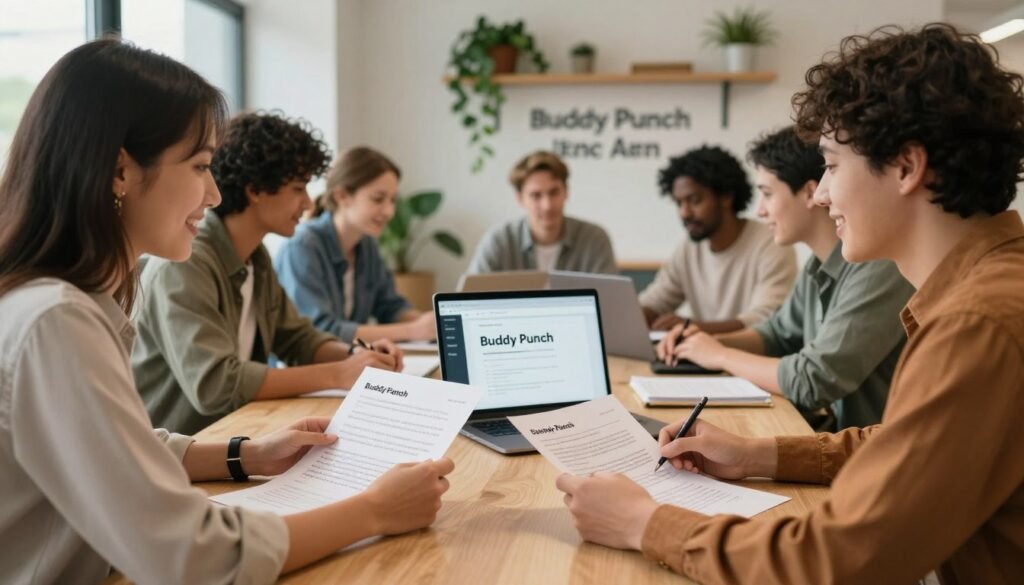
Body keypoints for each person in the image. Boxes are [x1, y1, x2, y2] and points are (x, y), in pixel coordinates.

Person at [556, 24, 1024, 583]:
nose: (821, 193)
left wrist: (644, 523)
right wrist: (757, 456)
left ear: (905, 166)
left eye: (829, 164)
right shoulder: (987, 292)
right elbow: (910, 450)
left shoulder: (979, 323)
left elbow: (841, 559)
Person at [0, 39, 452, 585]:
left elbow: (120, 448)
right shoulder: (57, 320)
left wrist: (248, 454)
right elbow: (194, 557)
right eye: (199, 166)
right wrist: (376, 509)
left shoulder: (69, 300)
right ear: (120, 170)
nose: (214, 193)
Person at [132, 111, 403, 435]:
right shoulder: (186, 262)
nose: (307, 203)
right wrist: (340, 373)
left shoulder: (255, 258)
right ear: (256, 189)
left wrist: (357, 355)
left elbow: (298, 338)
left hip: (235, 435)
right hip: (180, 455)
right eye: (298, 188)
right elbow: (216, 385)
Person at [656, 126, 914, 430]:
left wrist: (720, 355)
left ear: (808, 192)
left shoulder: (878, 267)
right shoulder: (818, 266)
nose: (760, 210)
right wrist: (701, 344)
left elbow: (813, 380)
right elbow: (776, 334)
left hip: (862, 457)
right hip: (828, 440)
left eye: (766, 194)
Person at [275, 147, 436, 343]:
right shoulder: (302, 247)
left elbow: (390, 306)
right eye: (378, 199)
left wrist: (432, 325)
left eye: (393, 200)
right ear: (342, 196)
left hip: (346, 363)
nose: (389, 211)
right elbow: (320, 331)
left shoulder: (366, 245)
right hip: (301, 370)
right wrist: (413, 330)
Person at [639, 145, 798, 333]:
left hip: (750, 358)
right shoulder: (689, 249)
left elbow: (765, 320)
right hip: (702, 356)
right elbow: (656, 301)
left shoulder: (771, 243)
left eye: (695, 200)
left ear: (726, 197)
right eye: (679, 202)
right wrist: (631, 317)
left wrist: (692, 327)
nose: (684, 213)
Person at [466, 150, 618, 274]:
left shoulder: (594, 239)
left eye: (554, 192)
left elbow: (611, 302)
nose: (547, 205)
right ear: (520, 199)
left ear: (566, 192)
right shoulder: (499, 241)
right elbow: (468, 299)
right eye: (536, 195)